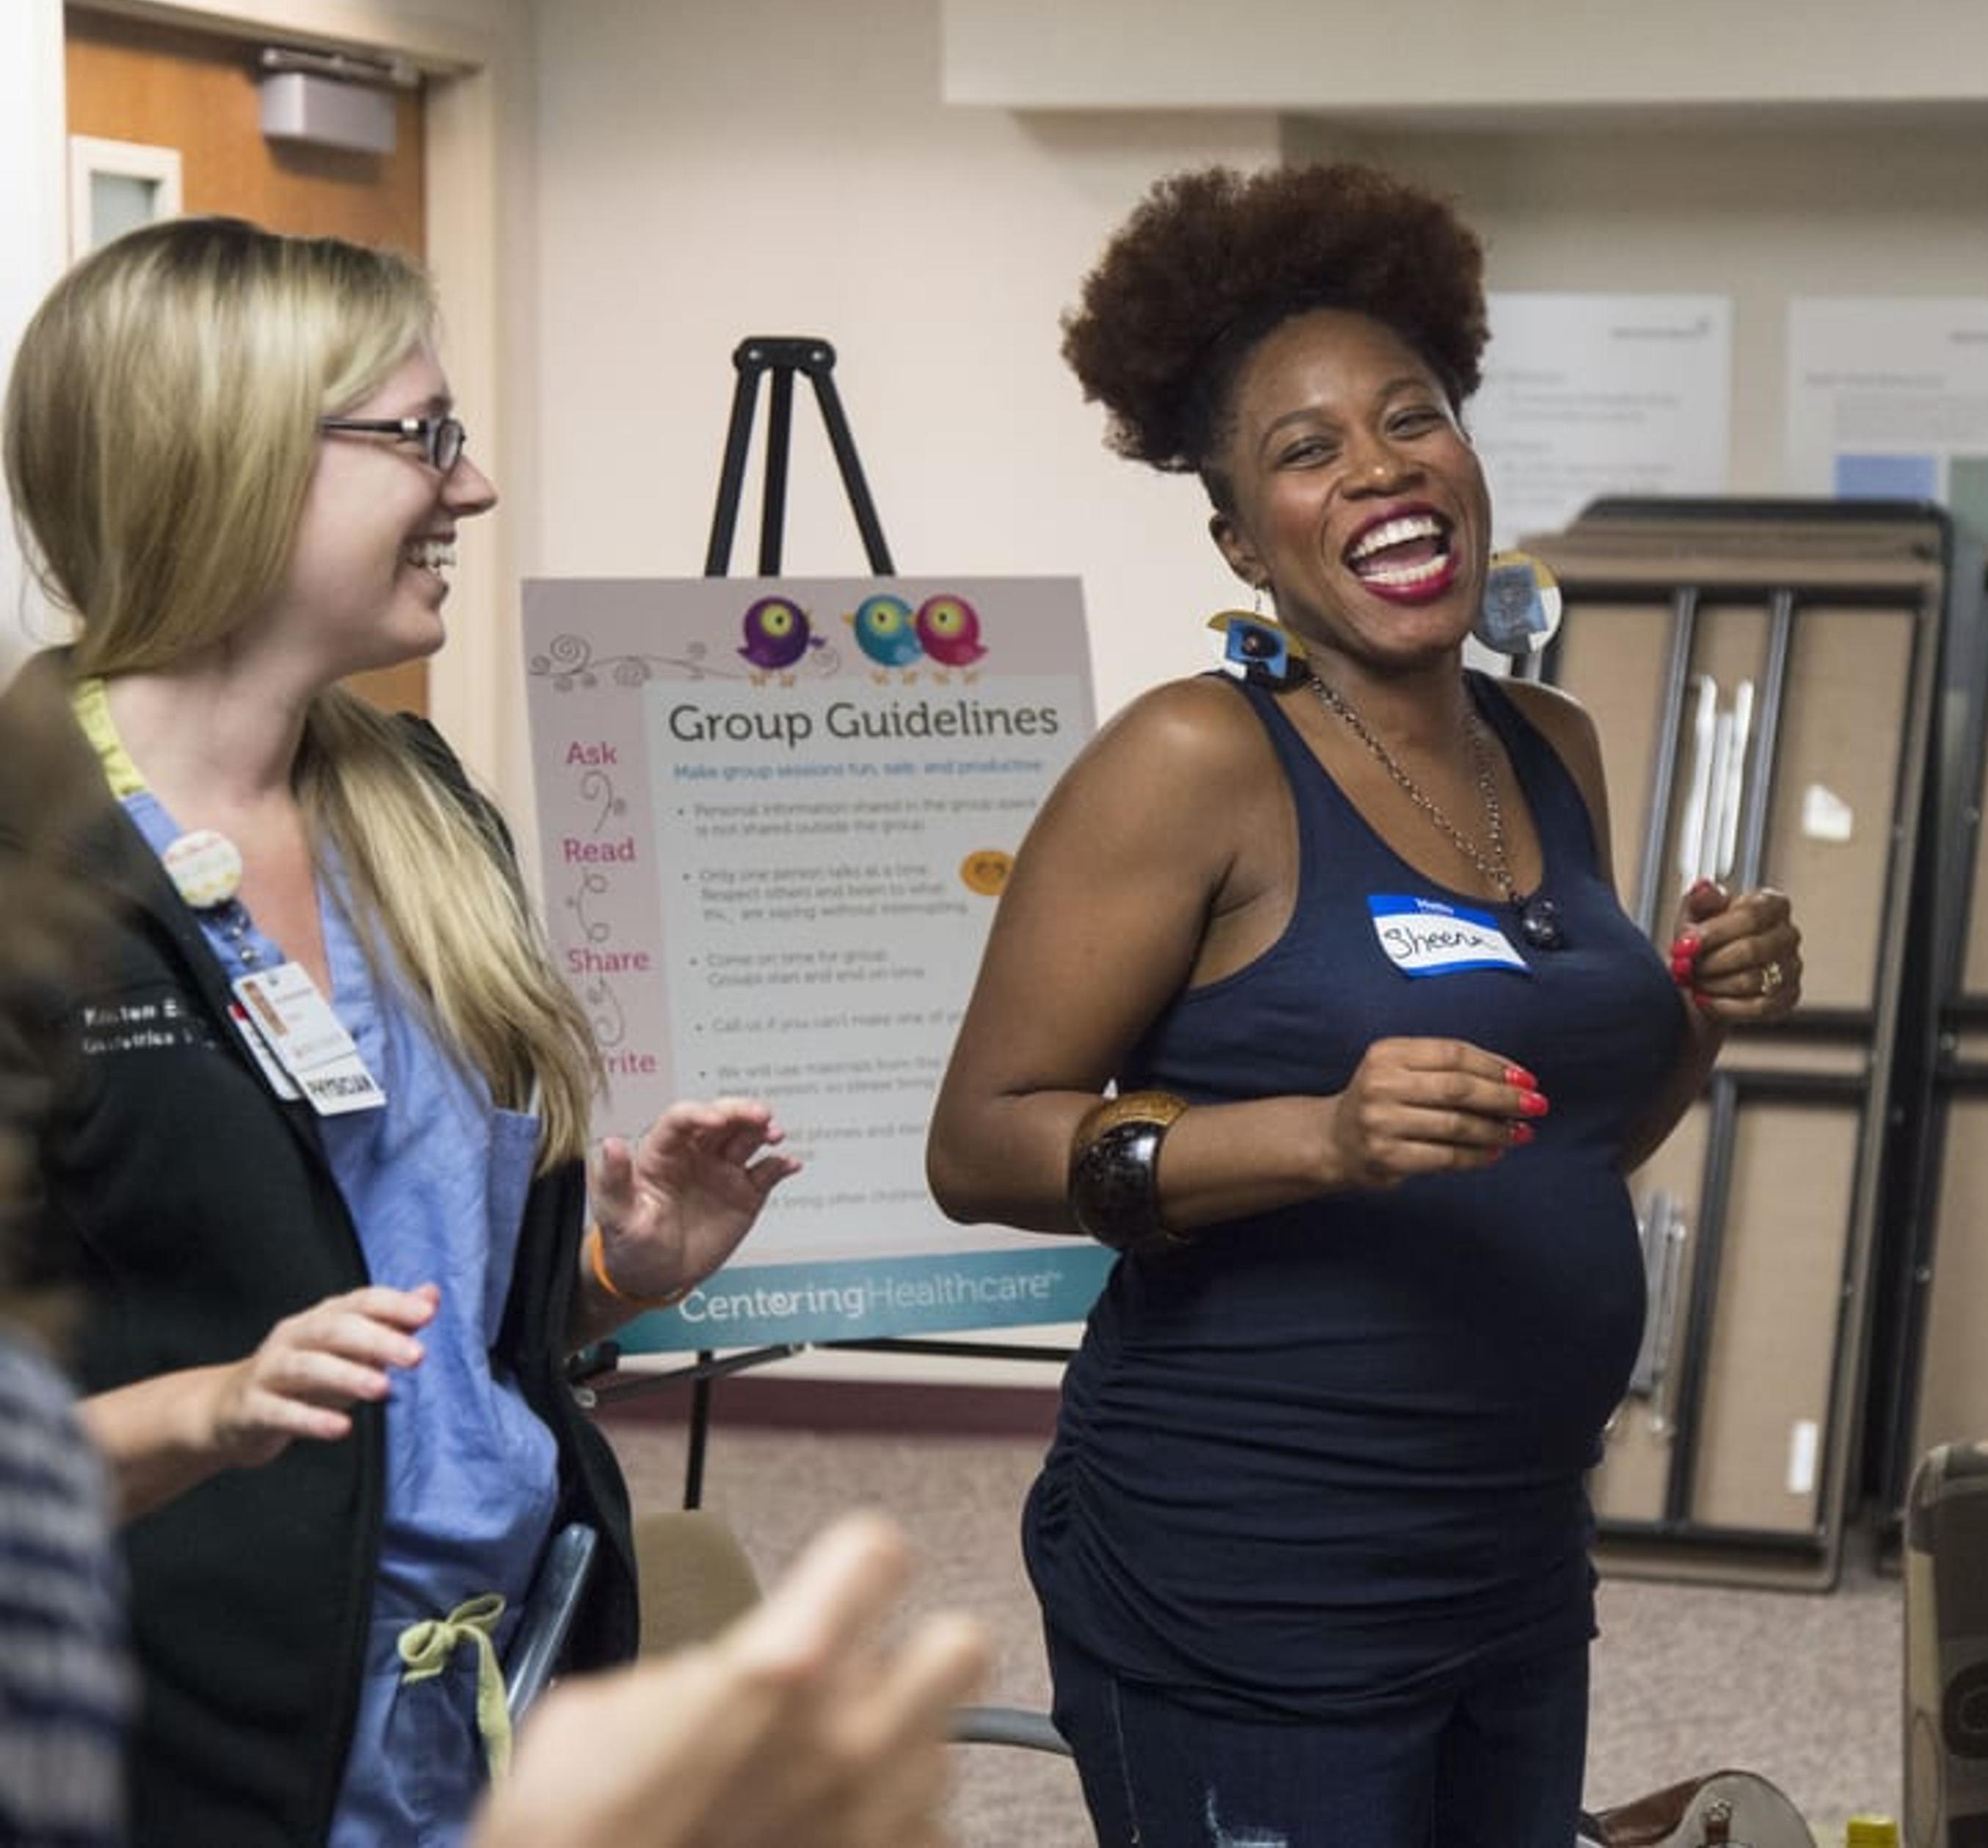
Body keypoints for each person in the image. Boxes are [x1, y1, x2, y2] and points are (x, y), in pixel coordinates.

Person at [924, 162, 1804, 1845]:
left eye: (1415, 419)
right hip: (1251, 1573)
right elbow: (984, 1141)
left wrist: (1694, 1011)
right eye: (1306, 450)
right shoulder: (1189, 764)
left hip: (1512, 1554)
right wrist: (1315, 1138)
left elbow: (1559, 1140)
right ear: (1241, 536)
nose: (1382, 469)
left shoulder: (1549, 747)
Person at [0, 216, 804, 1847]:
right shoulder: (27, 864)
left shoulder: (418, 813)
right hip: (187, 1739)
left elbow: (431, 1322)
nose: (474, 485)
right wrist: (209, 1409)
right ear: (220, 459)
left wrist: (611, 1276)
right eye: (422, 437)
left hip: (504, 1690)